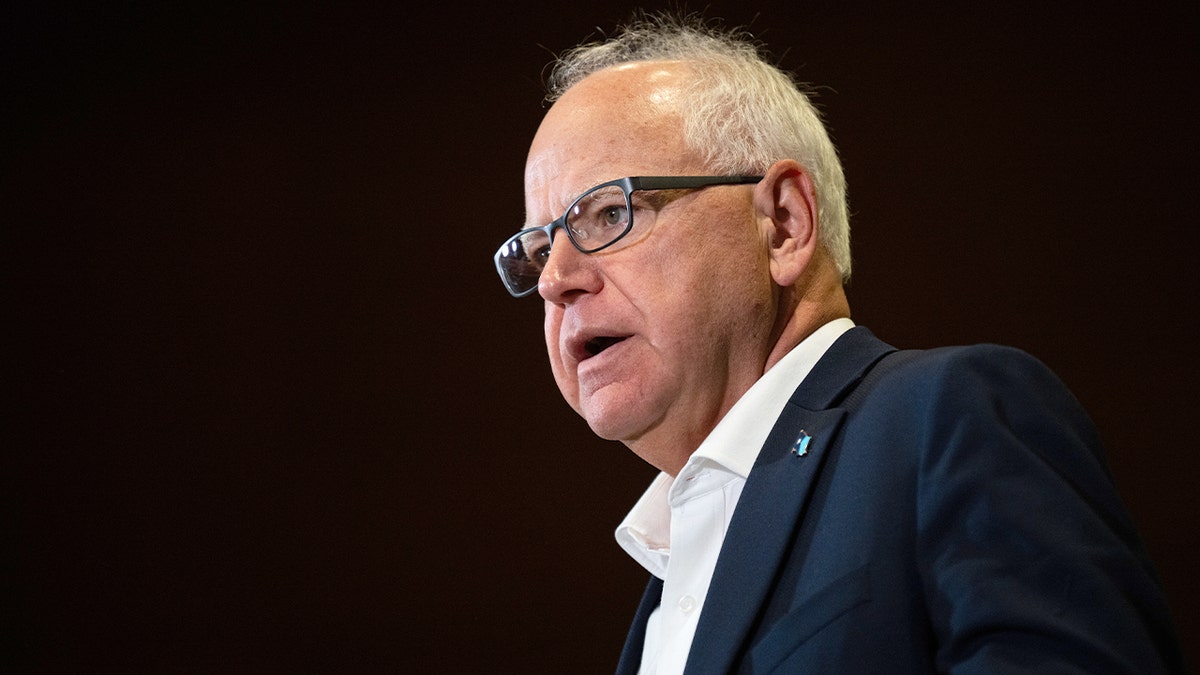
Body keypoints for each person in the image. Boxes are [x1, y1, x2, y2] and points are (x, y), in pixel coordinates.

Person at [492, 12, 1184, 674]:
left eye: (609, 213)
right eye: (539, 249)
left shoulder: (945, 418)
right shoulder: (661, 591)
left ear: (784, 223)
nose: (554, 281)